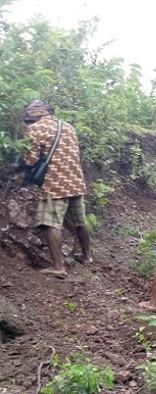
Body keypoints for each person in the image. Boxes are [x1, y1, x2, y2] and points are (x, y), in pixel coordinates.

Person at [19, 100, 90, 279]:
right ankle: (87, 257)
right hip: (76, 181)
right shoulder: (68, 127)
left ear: (32, 117)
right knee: (80, 221)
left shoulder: (35, 129)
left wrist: (18, 167)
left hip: (55, 184)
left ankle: (58, 267)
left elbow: (30, 159)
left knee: (52, 224)